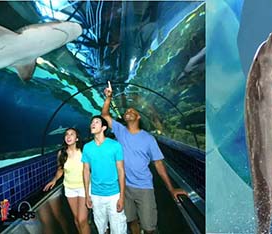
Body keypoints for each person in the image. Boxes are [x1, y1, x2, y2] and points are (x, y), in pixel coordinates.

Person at [102, 83, 188, 234]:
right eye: (126, 111)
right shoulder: (120, 131)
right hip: (124, 187)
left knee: (149, 227)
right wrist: (108, 98)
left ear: (138, 116)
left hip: (144, 187)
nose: (128, 111)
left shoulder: (149, 139)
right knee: (131, 220)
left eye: (131, 110)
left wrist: (171, 188)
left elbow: (159, 164)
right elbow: (104, 116)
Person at [82, 115, 127, 234]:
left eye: (96, 122)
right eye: (92, 122)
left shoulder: (115, 145)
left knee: (118, 228)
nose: (93, 123)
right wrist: (87, 194)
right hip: (96, 195)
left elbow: (121, 170)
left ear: (103, 127)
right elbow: (86, 171)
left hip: (114, 194)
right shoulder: (87, 147)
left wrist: (122, 197)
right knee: (100, 227)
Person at [43, 128, 90, 234]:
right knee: (77, 219)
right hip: (69, 188)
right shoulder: (61, 153)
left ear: (77, 138)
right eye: (66, 134)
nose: (68, 136)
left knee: (82, 220)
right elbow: (60, 169)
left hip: (83, 187)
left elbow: (91, 169)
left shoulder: (83, 151)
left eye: (72, 134)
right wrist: (54, 180)